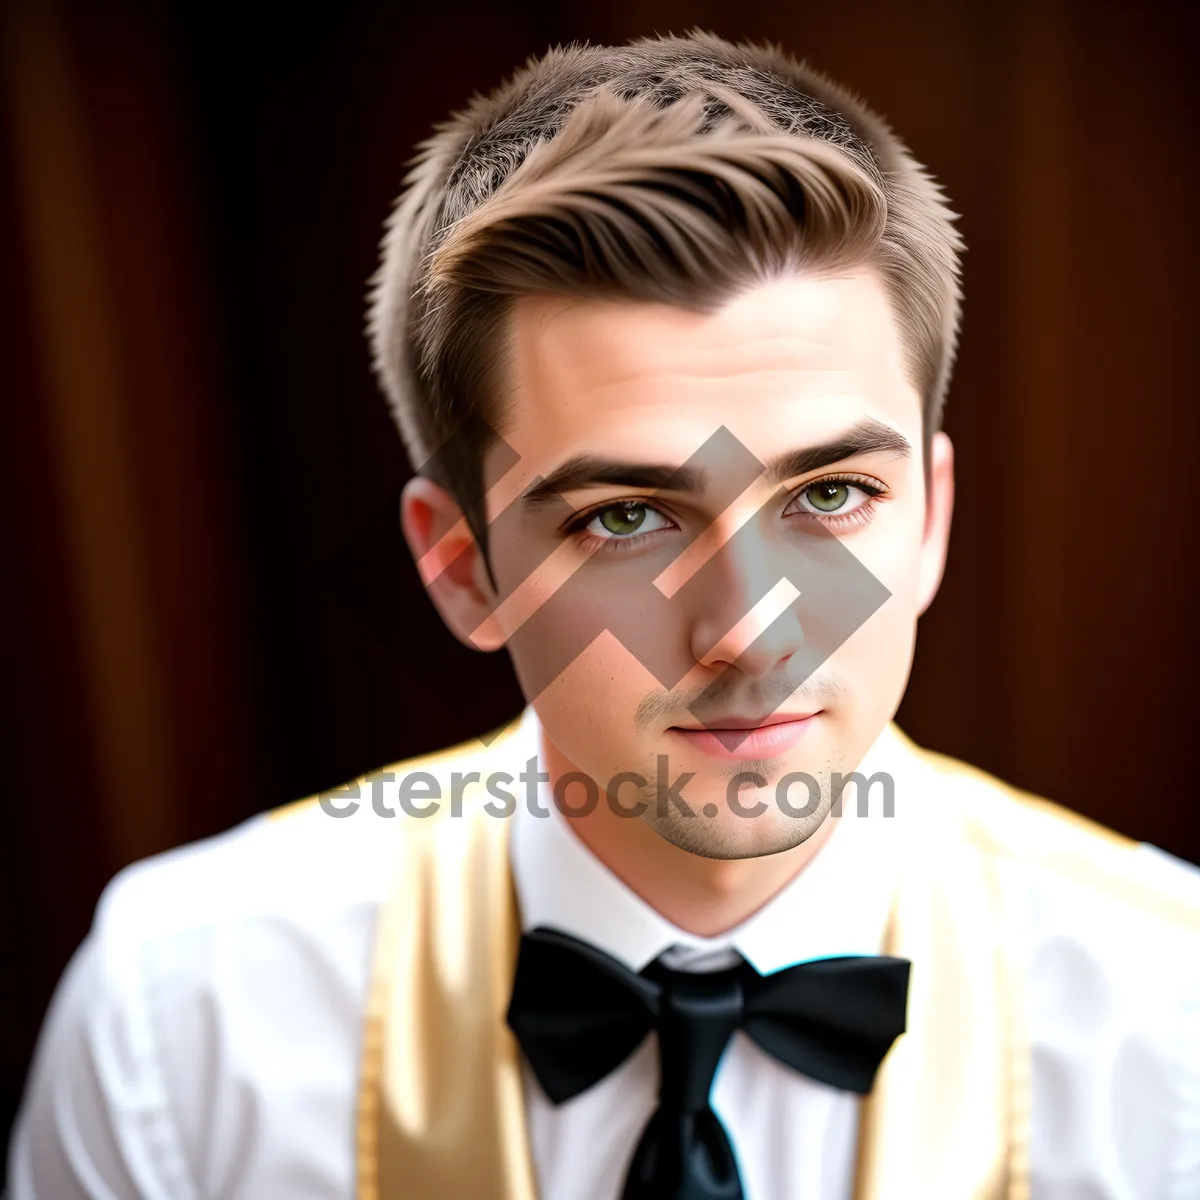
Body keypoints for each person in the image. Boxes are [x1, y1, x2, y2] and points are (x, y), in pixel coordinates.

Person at [8, 30, 1199, 1200]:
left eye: (831, 495)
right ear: (463, 567)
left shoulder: (1173, 1011)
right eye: (627, 518)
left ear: (930, 520)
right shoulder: (175, 1019)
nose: (747, 631)